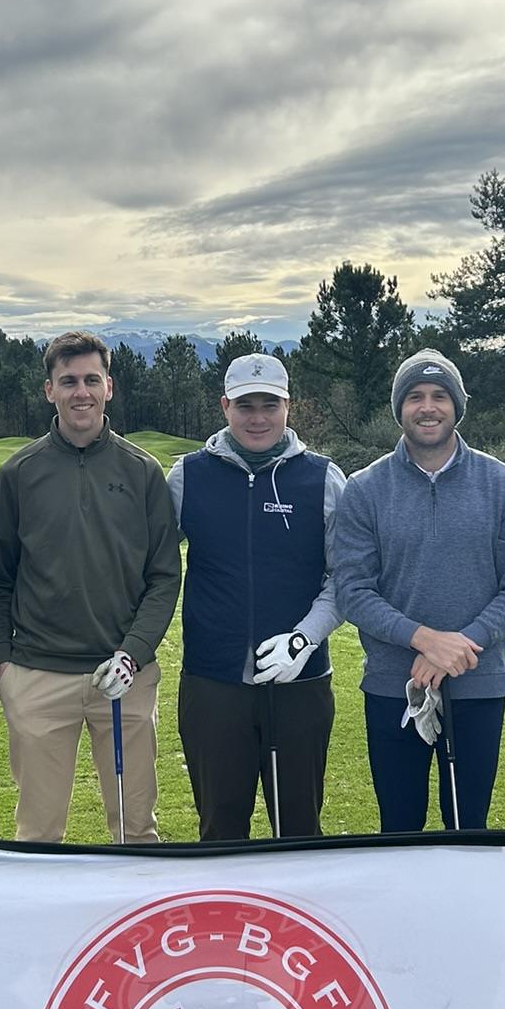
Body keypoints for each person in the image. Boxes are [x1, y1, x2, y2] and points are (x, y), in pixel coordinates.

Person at [333, 347, 505, 833]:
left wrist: (458, 646)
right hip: (394, 685)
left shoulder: (503, 483)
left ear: (456, 407)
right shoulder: (365, 488)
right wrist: (425, 639)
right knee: (398, 828)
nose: (427, 407)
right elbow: (353, 590)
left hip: (478, 685)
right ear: (399, 409)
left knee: (467, 830)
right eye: (415, 397)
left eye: (439, 396)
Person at [0, 332, 181, 844]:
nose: (81, 392)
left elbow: (164, 575)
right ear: (49, 390)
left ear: (108, 387)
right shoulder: (19, 473)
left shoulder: (142, 471)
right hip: (38, 675)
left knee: (136, 831)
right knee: (37, 835)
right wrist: (6, 665)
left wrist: (134, 653)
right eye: (68, 381)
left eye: (92, 380)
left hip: (125, 674)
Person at [168, 352, 346, 839]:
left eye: (271, 405)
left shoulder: (323, 479)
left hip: (301, 683)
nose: (258, 418)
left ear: (289, 407)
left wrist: (304, 639)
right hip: (212, 682)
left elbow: (345, 579)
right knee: (220, 831)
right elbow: (151, 567)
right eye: (246, 405)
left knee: (299, 830)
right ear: (225, 406)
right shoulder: (187, 476)